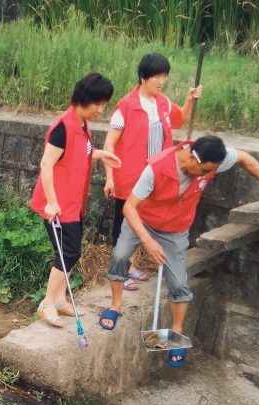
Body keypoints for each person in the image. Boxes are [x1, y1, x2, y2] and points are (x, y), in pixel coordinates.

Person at [101, 136, 259, 367]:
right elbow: (128, 207)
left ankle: (174, 335)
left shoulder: (212, 160)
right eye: (205, 170)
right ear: (193, 158)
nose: (208, 175)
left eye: (212, 170)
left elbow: (244, 158)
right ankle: (115, 305)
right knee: (120, 256)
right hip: (142, 220)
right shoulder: (156, 169)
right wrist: (147, 241)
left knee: (178, 282)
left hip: (175, 228)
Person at [103, 52, 202, 292]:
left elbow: (180, 119)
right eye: (156, 76)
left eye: (164, 76)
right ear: (143, 77)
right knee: (126, 222)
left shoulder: (163, 102)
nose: (160, 81)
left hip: (158, 175)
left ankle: (131, 265)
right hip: (130, 176)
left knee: (143, 220)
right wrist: (109, 177)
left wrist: (189, 100)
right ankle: (122, 269)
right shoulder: (125, 107)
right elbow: (108, 145)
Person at [30, 72, 121, 328]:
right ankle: (47, 303)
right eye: (98, 104)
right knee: (68, 252)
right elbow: (46, 164)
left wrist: (100, 154)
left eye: (104, 105)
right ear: (83, 99)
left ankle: (59, 299)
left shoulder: (82, 124)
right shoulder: (63, 127)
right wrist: (51, 202)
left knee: (71, 251)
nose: (101, 110)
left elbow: (77, 155)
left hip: (72, 203)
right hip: (57, 205)